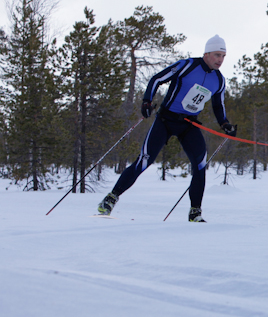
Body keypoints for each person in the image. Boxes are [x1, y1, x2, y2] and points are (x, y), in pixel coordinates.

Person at [98, 35, 237, 222]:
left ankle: (195, 212)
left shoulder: (219, 80)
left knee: (200, 165)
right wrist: (146, 101)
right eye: (217, 55)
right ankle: (111, 198)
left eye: (223, 56)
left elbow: (218, 105)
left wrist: (225, 124)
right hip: (165, 120)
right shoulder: (187, 65)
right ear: (206, 54)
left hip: (189, 124)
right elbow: (157, 79)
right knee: (144, 161)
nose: (220, 60)